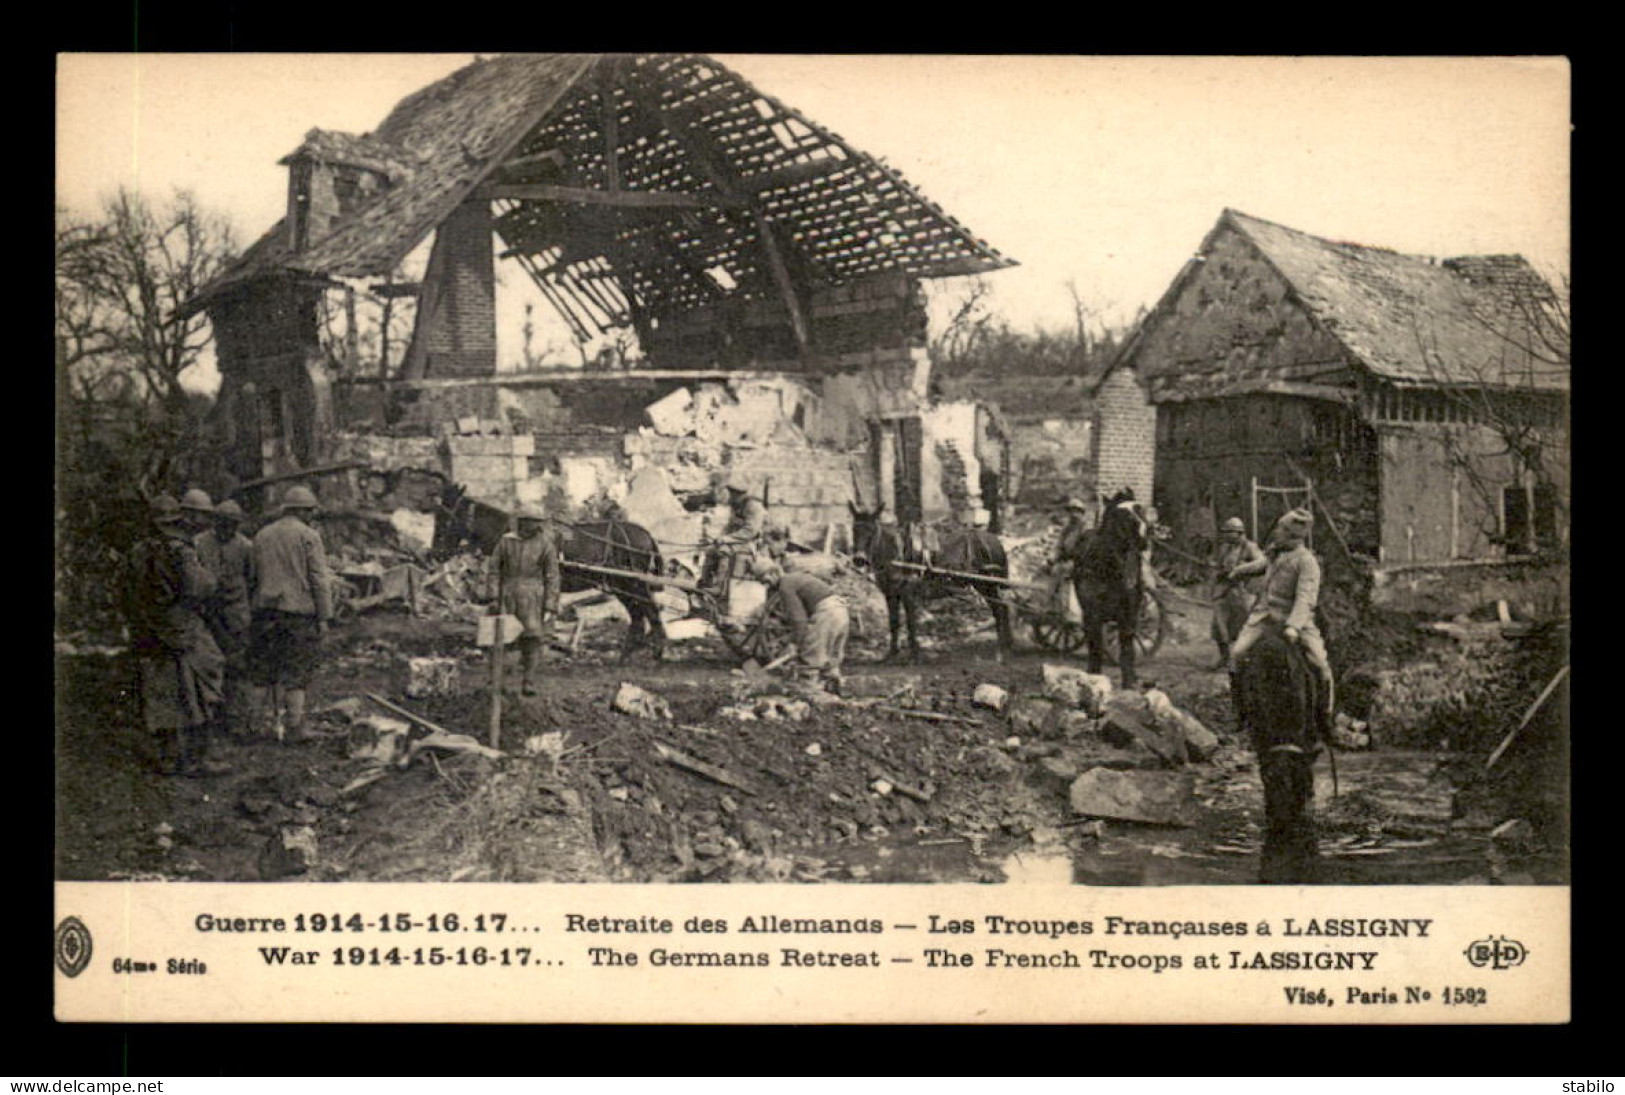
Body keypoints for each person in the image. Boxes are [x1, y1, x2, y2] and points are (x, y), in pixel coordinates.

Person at [126, 494, 225, 776]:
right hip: (183, 631)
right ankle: (198, 759)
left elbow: (126, 593)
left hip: (148, 631)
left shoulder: (137, 551)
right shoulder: (181, 550)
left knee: (160, 695)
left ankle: (167, 758)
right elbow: (200, 587)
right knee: (202, 687)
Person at [1227, 507, 1334, 718]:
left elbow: (1305, 598)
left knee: (1321, 663)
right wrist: (1239, 571)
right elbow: (1261, 565)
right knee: (1237, 653)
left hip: (1293, 618)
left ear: (1292, 535)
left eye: (1281, 529)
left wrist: (1294, 627)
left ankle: (1325, 714)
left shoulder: (1306, 561)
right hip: (1264, 615)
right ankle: (1239, 710)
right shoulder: (1276, 552)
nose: (1276, 531)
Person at [247, 485, 332, 742]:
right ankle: (294, 727)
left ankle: (254, 726)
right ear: (303, 511)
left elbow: (253, 575)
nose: (312, 516)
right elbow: (319, 579)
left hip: (264, 612)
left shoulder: (262, 535)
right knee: (297, 671)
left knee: (261, 671)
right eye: (310, 511)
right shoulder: (309, 536)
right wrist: (324, 616)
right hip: (297, 614)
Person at [485, 503, 562, 696]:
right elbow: (494, 570)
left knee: (532, 639)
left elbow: (552, 576)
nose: (531, 526)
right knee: (500, 637)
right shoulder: (505, 542)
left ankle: (529, 681)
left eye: (535, 523)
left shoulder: (545, 544)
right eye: (527, 522)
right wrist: (493, 595)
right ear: (520, 522)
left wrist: (550, 604)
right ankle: (498, 681)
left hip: (533, 596)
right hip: (507, 594)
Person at [195, 498, 257, 736]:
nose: (227, 529)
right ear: (215, 522)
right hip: (208, 614)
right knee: (208, 666)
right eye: (223, 524)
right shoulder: (200, 543)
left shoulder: (245, 546)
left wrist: (242, 608)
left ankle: (236, 720)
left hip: (236, 616)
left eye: (232, 524)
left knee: (237, 668)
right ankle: (210, 718)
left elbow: (251, 579)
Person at [755, 558, 849, 694]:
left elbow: (799, 620)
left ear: (773, 573)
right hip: (841, 610)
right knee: (831, 657)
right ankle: (834, 688)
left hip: (827, 612)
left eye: (764, 579)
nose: (765, 584)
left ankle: (808, 690)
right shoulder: (795, 578)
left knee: (811, 654)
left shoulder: (785, 586)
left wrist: (795, 644)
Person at [1208, 516, 1265, 671]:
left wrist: (1241, 568)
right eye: (1225, 532)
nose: (1226, 535)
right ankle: (1224, 658)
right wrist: (1216, 568)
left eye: (1229, 533)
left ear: (1239, 533)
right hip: (1224, 591)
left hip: (1242, 592)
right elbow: (1218, 565)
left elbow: (1261, 563)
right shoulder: (1225, 548)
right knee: (1219, 627)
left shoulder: (1250, 547)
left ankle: (1245, 661)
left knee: (1243, 627)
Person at [702, 475, 768, 589]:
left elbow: (750, 532)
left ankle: (720, 587)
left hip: (751, 544)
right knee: (711, 550)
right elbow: (729, 526)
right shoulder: (736, 506)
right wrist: (719, 538)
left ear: (741, 494)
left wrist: (726, 540)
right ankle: (704, 583)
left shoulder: (754, 507)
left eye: (733, 494)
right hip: (737, 541)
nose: (731, 496)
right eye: (731, 492)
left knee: (724, 551)